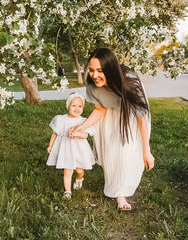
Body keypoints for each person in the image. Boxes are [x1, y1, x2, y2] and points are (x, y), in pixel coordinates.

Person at [69, 47, 155, 210]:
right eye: (92, 70)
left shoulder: (129, 81)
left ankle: (120, 195)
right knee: (111, 151)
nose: (94, 75)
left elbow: (141, 119)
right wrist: (80, 127)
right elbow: (100, 109)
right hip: (108, 113)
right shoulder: (92, 84)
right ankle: (115, 183)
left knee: (125, 151)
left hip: (129, 115)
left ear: (110, 70)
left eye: (100, 70)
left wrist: (146, 151)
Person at [46, 92, 96, 199]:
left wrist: (78, 134)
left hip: (79, 150)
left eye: (80, 106)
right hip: (66, 149)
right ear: (68, 106)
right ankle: (67, 191)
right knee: (67, 171)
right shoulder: (61, 119)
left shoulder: (83, 121)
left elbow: (86, 135)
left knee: (79, 170)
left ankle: (79, 178)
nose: (77, 109)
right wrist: (50, 145)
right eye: (73, 106)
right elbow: (55, 133)